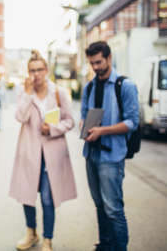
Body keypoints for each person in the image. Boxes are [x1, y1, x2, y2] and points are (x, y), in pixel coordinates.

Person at [9, 50, 77, 251]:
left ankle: (48, 239)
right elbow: (20, 117)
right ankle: (31, 233)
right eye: (32, 70)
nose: (36, 74)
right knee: (27, 196)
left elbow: (70, 121)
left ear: (46, 70)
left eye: (39, 70)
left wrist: (53, 129)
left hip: (52, 154)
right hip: (29, 152)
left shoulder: (58, 92)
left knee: (48, 198)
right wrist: (28, 95)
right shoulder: (24, 91)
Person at [81, 41, 139, 251]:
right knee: (99, 206)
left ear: (109, 58)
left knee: (113, 208)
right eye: (92, 63)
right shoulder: (89, 87)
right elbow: (84, 116)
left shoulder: (125, 86)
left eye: (98, 62)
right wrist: (85, 125)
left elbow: (132, 122)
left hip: (112, 158)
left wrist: (102, 131)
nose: (95, 67)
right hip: (91, 155)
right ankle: (105, 245)